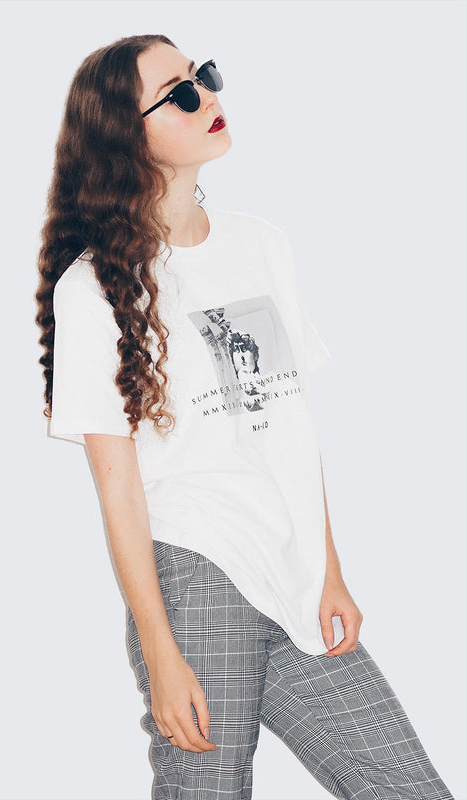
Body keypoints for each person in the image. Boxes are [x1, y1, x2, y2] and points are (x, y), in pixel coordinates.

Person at [35, 34, 455, 800]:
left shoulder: (260, 244)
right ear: (126, 136)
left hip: (292, 576)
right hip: (197, 577)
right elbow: (119, 489)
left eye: (203, 76)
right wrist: (160, 651)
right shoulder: (93, 289)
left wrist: (328, 571)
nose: (207, 96)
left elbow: (288, 425)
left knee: (406, 787)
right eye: (179, 93)